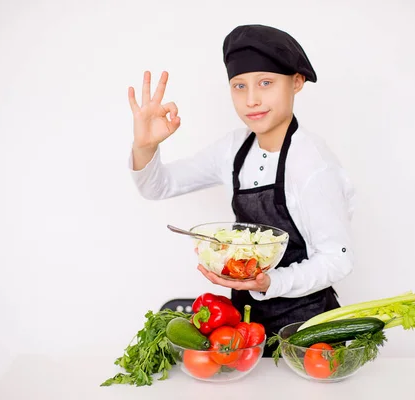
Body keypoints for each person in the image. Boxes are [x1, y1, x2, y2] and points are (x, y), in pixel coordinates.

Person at [128, 24, 356, 356]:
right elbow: (159, 186)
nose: (251, 100)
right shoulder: (234, 148)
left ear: (296, 82)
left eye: (266, 83)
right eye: (239, 86)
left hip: (307, 334)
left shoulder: (312, 166)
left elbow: (338, 260)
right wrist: (144, 145)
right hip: (245, 326)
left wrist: (271, 283)